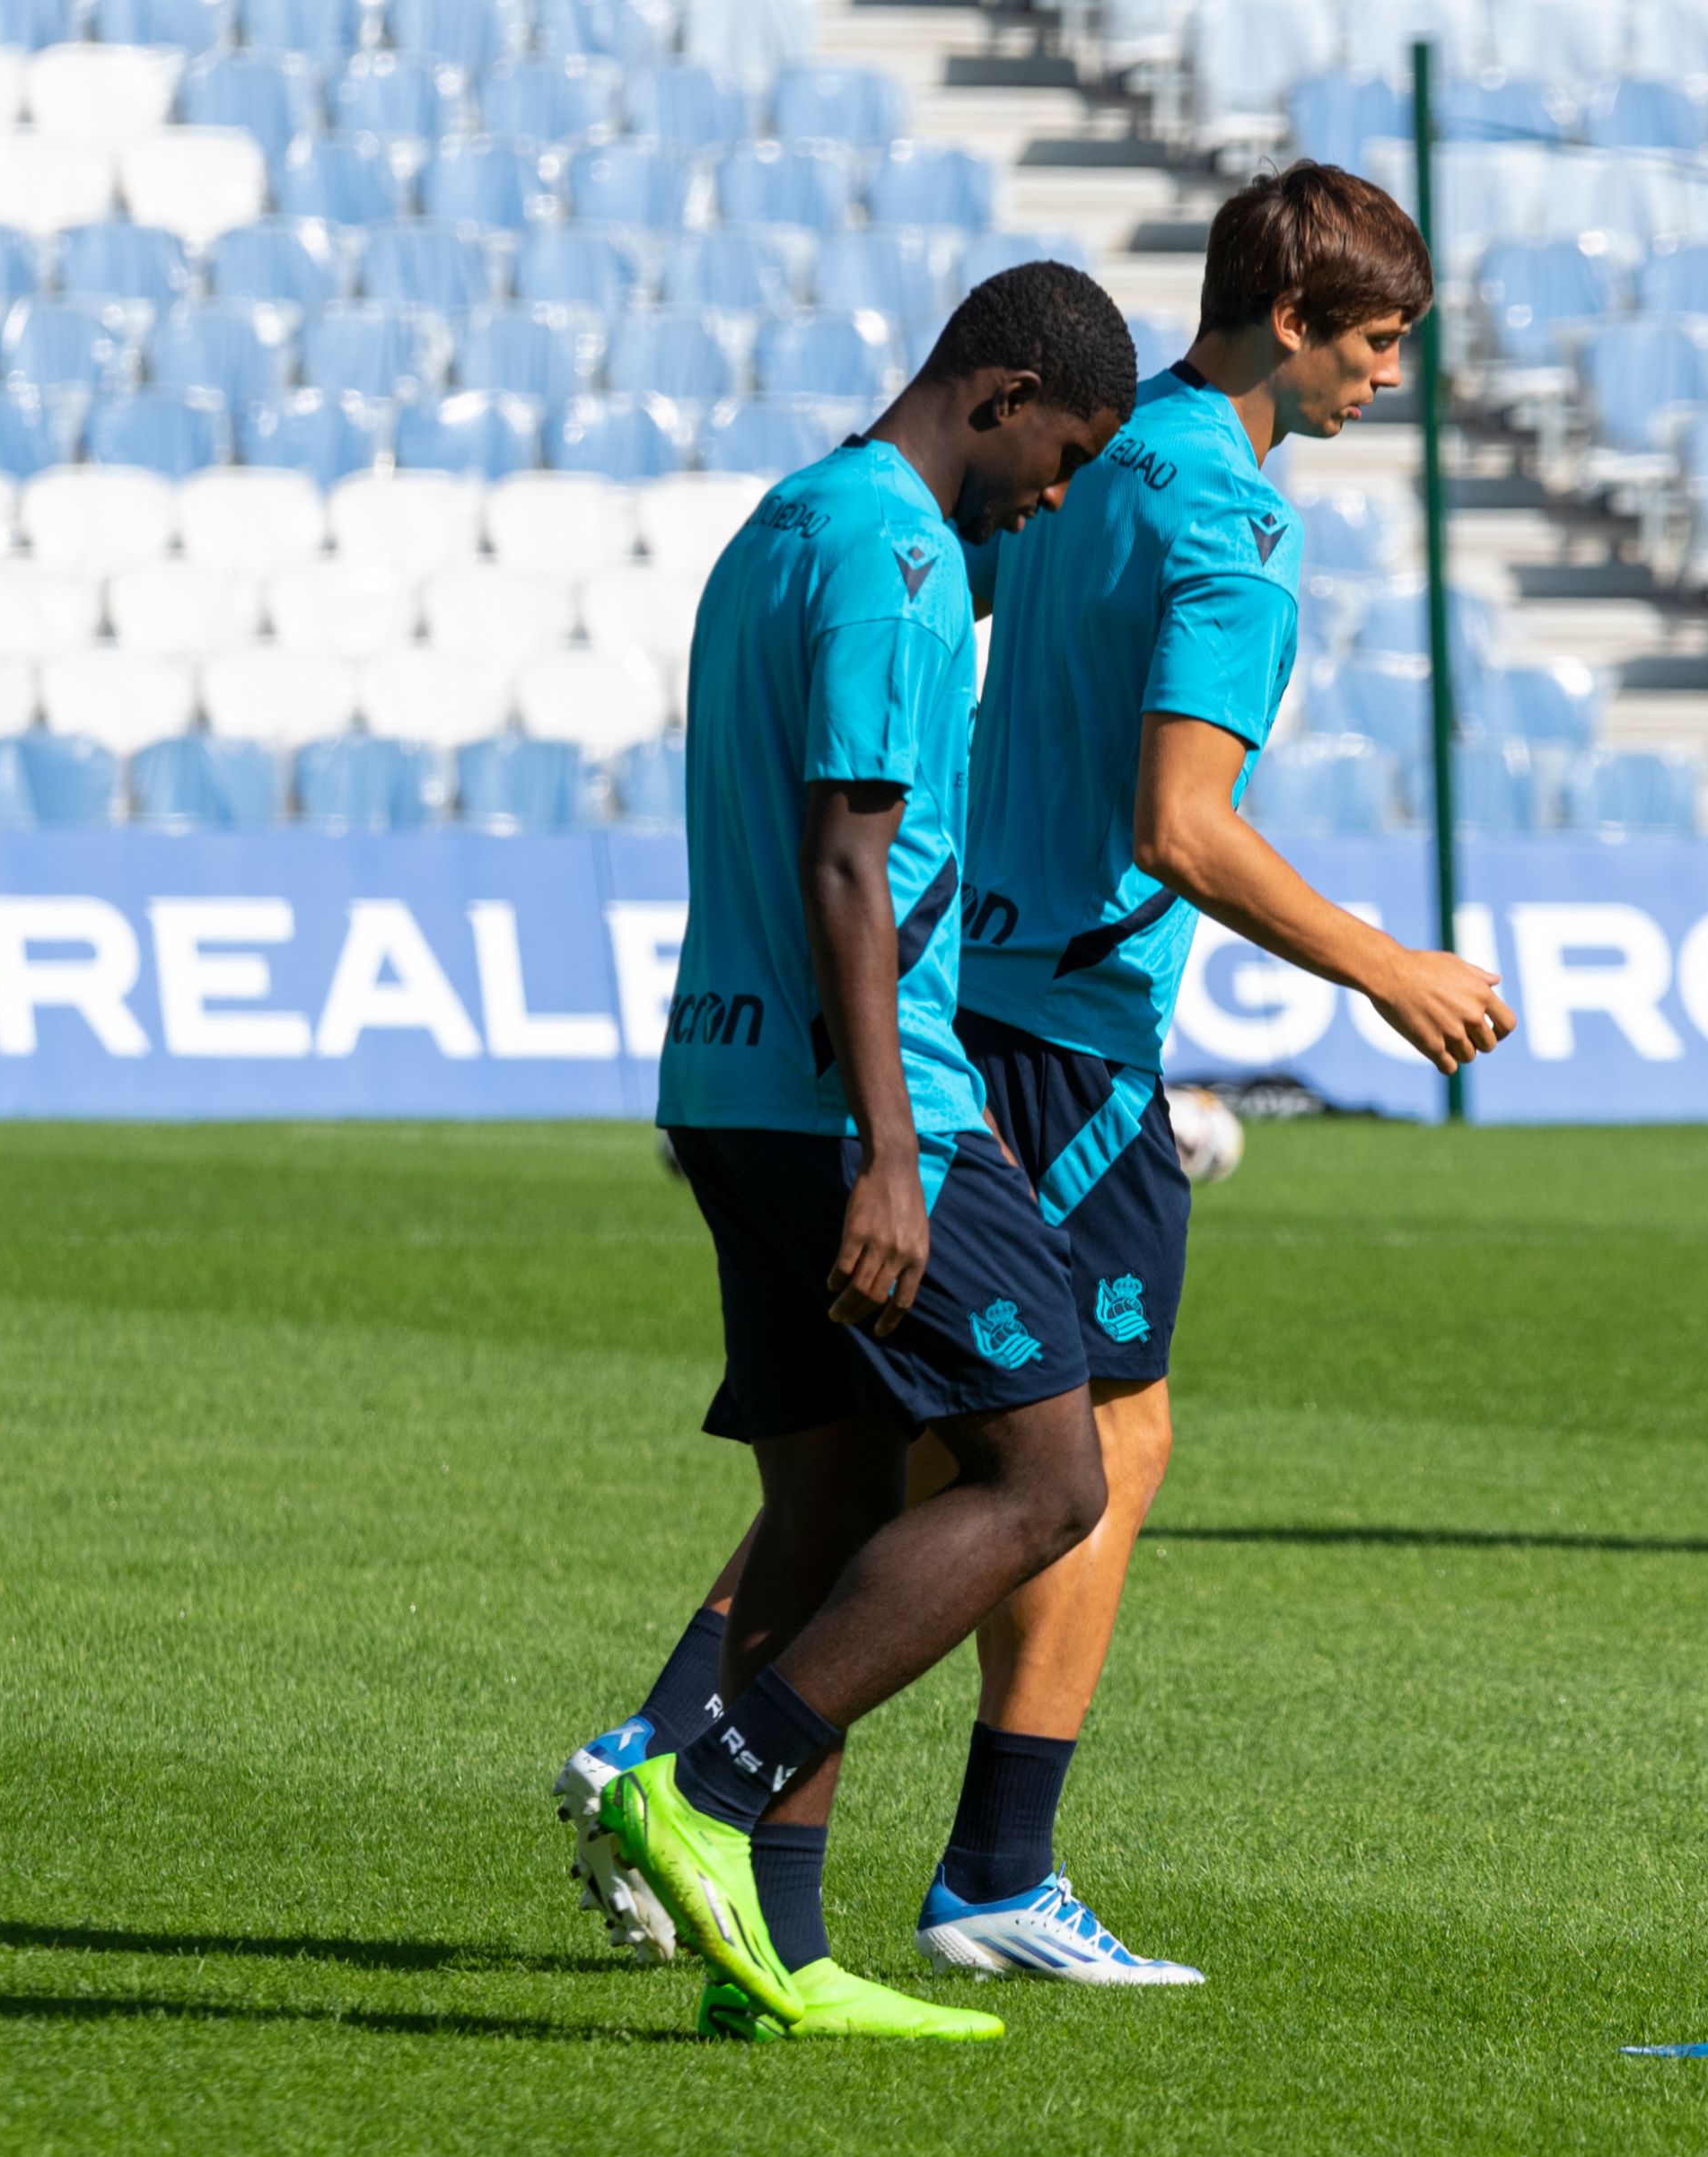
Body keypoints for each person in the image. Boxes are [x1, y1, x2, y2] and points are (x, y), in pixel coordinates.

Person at [561, 166, 1514, 1991]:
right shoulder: (1223, 519)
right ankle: (890, 1824)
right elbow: (1175, 823)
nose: (1390, 380)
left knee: (904, 1437)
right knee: (1078, 1441)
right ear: (1291, 321)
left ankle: (719, 1778)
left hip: (945, 986)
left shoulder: (1095, 453)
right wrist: (1386, 968)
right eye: (1379, 343)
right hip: (1048, 1021)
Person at [583, 262, 1142, 2044]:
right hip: (856, 1098)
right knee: (1047, 1476)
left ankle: (775, 1958)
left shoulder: (783, 520)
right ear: (992, 391)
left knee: (824, 1502)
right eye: (1057, 450)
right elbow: (846, 853)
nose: (1053, 493)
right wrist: (895, 1151)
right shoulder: (892, 560)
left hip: (732, 1078)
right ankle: (706, 1784)